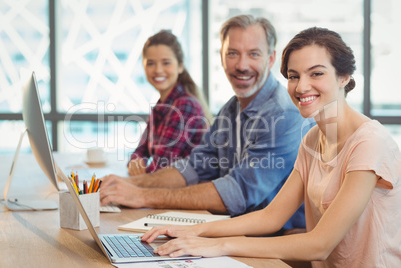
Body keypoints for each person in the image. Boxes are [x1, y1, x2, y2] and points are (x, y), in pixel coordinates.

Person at [141, 27, 401, 267]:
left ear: (344, 77)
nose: (301, 86)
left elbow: (319, 245)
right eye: (293, 76)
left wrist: (216, 245)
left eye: (317, 73)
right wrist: (194, 230)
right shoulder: (312, 139)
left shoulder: (369, 142)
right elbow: (271, 216)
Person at [101, 15, 310, 232]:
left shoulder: (285, 114)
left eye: (254, 54)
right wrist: (129, 185)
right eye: (232, 53)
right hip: (236, 229)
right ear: (221, 57)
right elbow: (194, 167)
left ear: (271, 58)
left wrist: (142, 195)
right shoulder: (231, 109)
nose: (241, 65)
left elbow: (237, 193)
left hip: (276, 241)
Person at [127, 30, 211, 175]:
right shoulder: (160, 107)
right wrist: (136, 161)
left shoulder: (185, 106)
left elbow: (160, 167)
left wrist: (139, 170)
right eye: (151, 63)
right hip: (168, 189)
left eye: (166, 63)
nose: (158, 70)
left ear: (180, 66)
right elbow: (140, 151)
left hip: (187, 192)